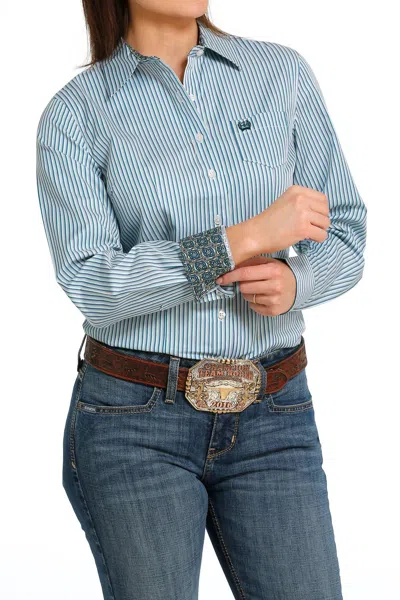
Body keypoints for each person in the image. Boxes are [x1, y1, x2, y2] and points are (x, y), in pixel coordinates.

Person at [35, 2, 367, 599]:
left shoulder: (281, 74)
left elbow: (345, 231)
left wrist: (298, 282)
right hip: (134, 422)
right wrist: (239, 241)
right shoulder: (77, 113)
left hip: (275, 413)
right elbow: (92, 282)